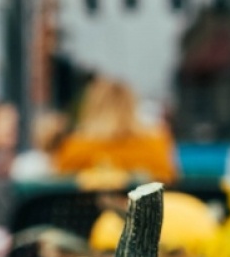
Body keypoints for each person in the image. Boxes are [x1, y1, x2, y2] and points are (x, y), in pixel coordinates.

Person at [50, 77, 178, 184]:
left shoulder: (74, 148)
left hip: (87, 214)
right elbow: (170, 183)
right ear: (132, 105)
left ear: (92, 107)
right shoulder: (156, 144)